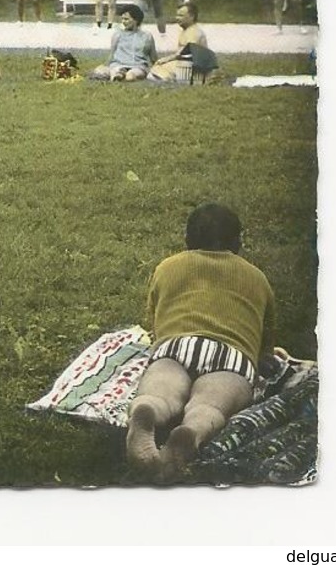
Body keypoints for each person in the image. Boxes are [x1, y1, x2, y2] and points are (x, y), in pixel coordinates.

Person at [125, 203, 276, 482]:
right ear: (238, 242)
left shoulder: (167, 267)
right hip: (231, 355)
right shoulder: (257, 277)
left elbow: (156, 319)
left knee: (161, 391)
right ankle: (191, 431)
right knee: (210, 406)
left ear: (187, 241)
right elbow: (265, 339)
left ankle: (147, 411)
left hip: (176, 345)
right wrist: (263, 356)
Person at [148, 1, 219, 83]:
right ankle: (169, 78)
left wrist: (167, 59)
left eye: (181, 15)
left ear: (192, 16)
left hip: (193, 68)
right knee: (156, 69)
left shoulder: (194, 32)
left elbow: (189, 54)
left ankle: (170, 79)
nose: (177, 18)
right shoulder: (186, 30)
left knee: (157, 70)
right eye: (177, 15)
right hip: (185, 65)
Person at [88, 4, 158, 81]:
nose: (123, 22)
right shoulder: (118, 34)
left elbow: (153, 58)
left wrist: (156, 69)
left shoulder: (147, 36)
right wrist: (106, 65)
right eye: (122, 19)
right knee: (108, 71)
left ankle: (121, 75)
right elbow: (112, 54)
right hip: (118, 64)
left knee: (130, 77)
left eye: (126, 19)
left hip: (138, 66)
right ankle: (118, 74)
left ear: (136, 20)